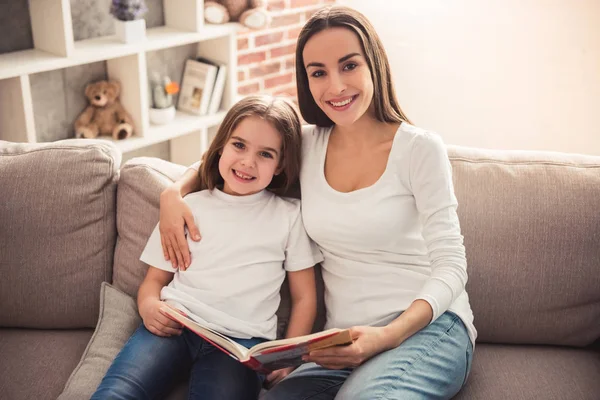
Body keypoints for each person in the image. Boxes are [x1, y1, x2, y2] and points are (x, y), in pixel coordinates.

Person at [159, 5, 476, 400]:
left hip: (426, 329)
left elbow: (452, 265)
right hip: (341, 343)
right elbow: (228, 159)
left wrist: (384, 337)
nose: (336, 87)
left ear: (373, 64)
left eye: (349, 65)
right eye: (319, 73)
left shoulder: (419, 148)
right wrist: (172, 193)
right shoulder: (307, 146)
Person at [92, 95, 323, 400]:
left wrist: (289, 356)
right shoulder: (188, 207)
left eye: (265, 154)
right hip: (176, 324)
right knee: (115, 394)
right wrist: (148, 307)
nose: (247, 162)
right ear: (221, 146)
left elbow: (305, 297)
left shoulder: (289, 217)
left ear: (281, 164)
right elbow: (154, 281)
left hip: (240, 345)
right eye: (238, 145)